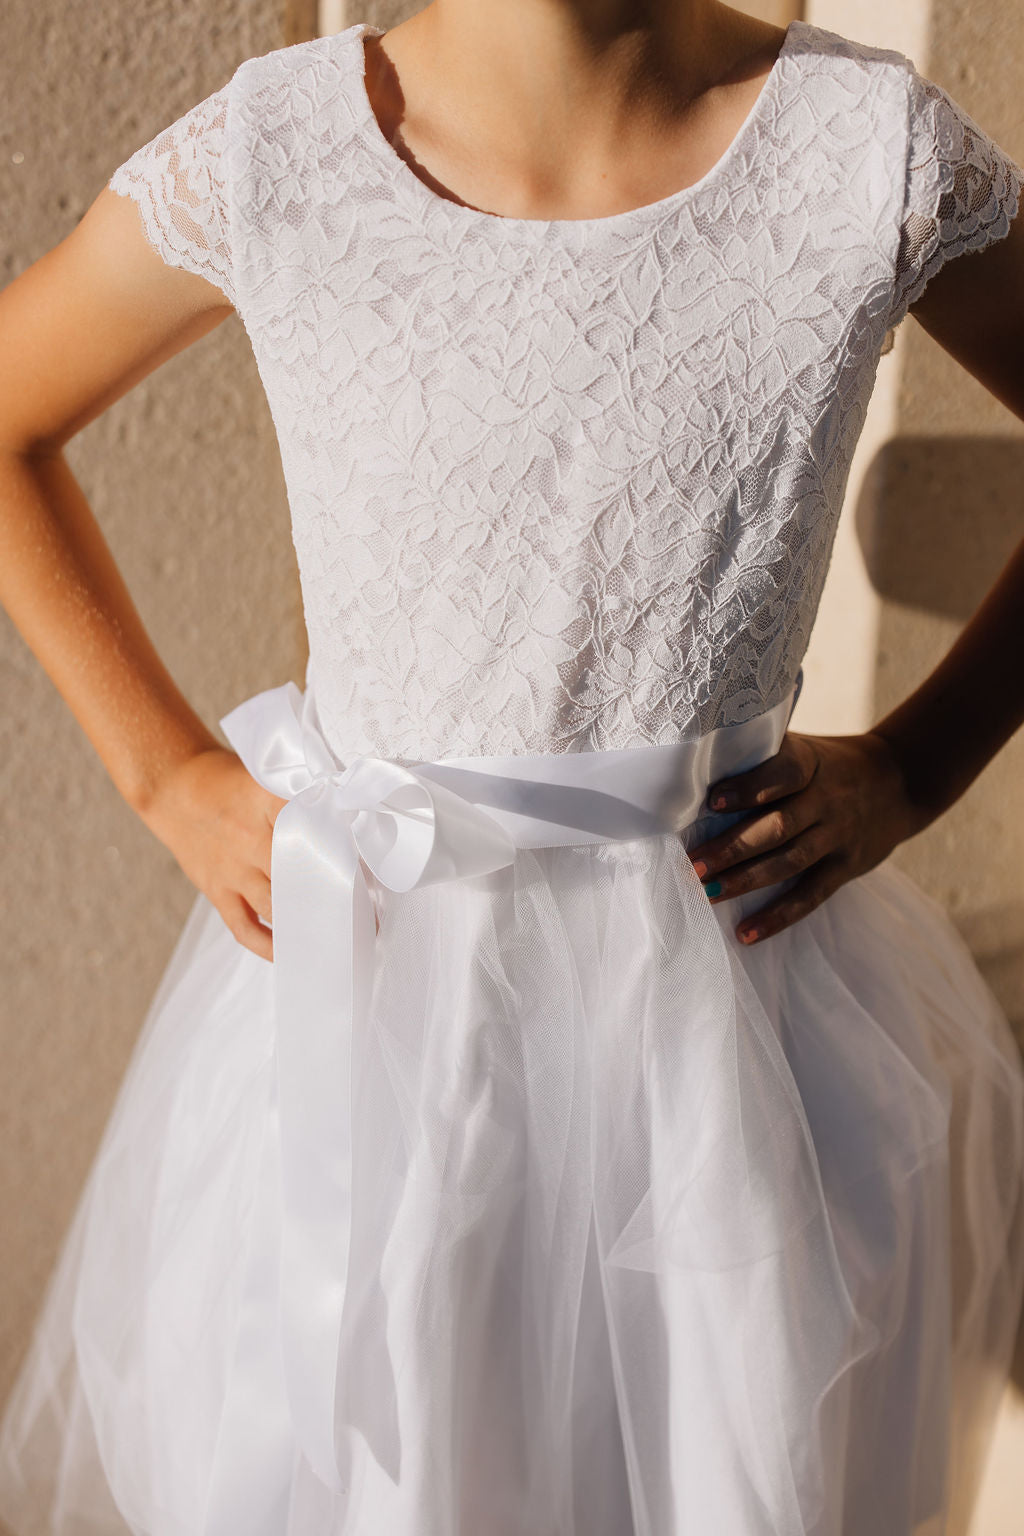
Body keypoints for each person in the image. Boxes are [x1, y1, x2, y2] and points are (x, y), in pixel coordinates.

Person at [1, 0, 1023, 1531]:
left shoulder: (860, 151)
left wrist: (918, 764)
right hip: (374, 1020)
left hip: (728, 1044)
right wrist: (167, 776)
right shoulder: (286, 153)